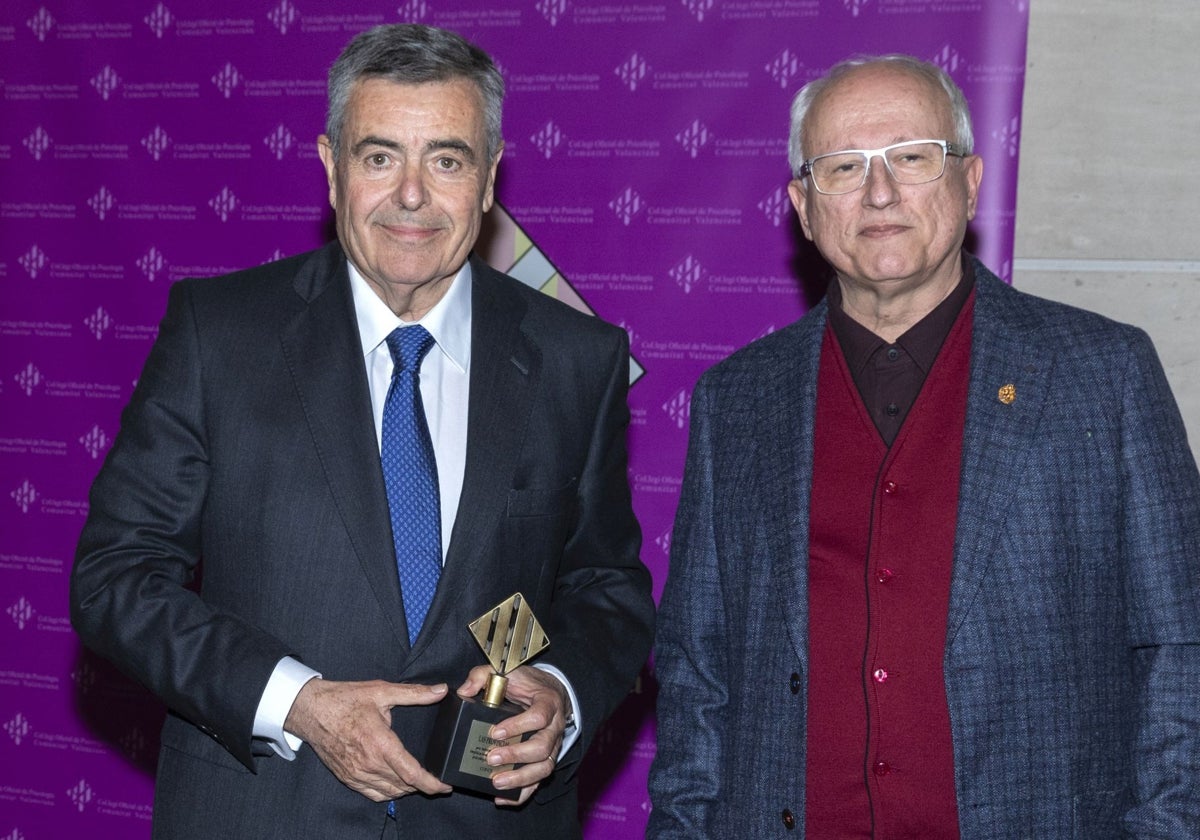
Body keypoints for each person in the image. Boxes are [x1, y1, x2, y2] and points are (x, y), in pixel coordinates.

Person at [70, 23, 653, 840]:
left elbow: (606, 586)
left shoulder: (576, 359)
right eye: (380, 157)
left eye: (446, 160)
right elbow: (117, 579)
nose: (411, 195)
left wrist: (561, 687)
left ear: (488, 180)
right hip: (263, 813)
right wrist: (298, 702)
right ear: (331, 170)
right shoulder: (219, 334)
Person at [647, 54, 1200, 838]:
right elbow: (699, 673)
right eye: (844, 167)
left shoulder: (1102, 376)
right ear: (803, 207)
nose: (880, 193)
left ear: (970, 183)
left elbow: (1182, 646)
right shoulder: (738, 401)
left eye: (912, 158)